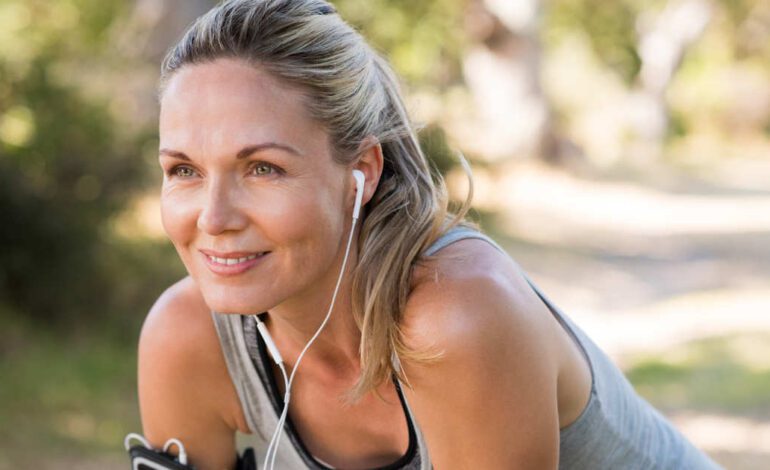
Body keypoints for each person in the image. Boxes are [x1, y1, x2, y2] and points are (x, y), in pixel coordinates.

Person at [136, 0, 722, 468]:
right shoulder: (186, 338)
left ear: (360, 171)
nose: (213, 218)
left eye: (263, 168)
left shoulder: (455, 318)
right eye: (183, 170)